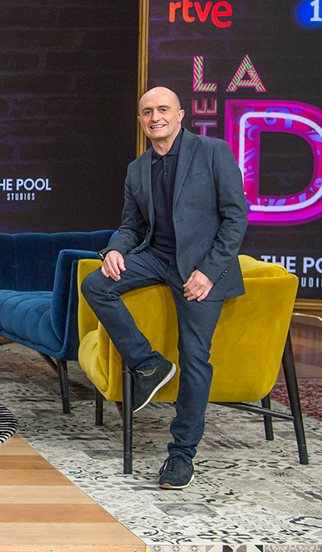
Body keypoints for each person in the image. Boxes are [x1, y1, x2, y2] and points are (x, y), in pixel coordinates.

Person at [81, 86, 247, 489]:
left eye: (163, 110)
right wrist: (115, 250)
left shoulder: (213, 152)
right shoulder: (137, 168)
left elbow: (235, 217)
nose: (155, 117)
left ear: (180, 115)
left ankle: (181, 454)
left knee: (195, 356)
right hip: (156, 258)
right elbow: (132, 225)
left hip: (201, 268)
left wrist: (208, 272)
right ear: (140, 120)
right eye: (147, 112)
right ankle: (149, 364)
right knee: (95, 283)